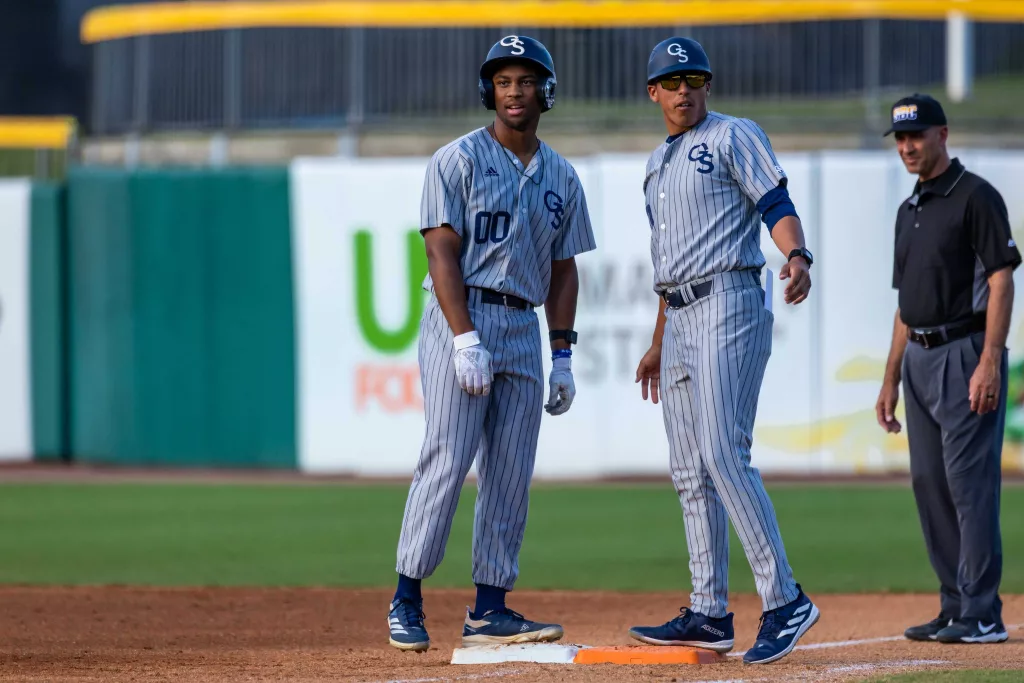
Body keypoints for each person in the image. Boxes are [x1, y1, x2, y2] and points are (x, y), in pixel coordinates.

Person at [386, 35, 597, 652]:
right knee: (448, 457)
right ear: (489, 91)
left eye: (525, 81)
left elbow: (564, 270)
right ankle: (406, 596)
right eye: (503, 81)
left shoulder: (562, 174)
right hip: (464, 311)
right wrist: (463, 339)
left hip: (522, 325)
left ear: (545, 91)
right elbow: (441, 252)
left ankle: (489, 608)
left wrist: (561, 354)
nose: (513, 92)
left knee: (510, 472)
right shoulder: (454, 160)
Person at [628, 37, 819, 665]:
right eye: (672, 81)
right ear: (653, 92)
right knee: (689, 469)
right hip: (678, 315)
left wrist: (795, 253)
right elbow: (667, 262)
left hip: (729, 300)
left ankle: (785, 600)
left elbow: (774, 202)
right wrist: (658, 341)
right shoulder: (655, 164)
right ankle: (709, 612)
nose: (684, 90)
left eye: (694, 79)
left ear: (707, 87)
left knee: (722, 452)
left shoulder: (734, 134)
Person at [875, 94, 1019, 645]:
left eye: (917, 135)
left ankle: (982, 613)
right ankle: (955, 604)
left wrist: (989, 360)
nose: (908, 147)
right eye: (901, 139)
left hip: (965, 353)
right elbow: (905, 305)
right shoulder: (909, 209)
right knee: (929, 484)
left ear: (943, 134)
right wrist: (889, 377)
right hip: (918, 356)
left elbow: (1002, 279)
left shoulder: (976, 196)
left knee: (970, 486)